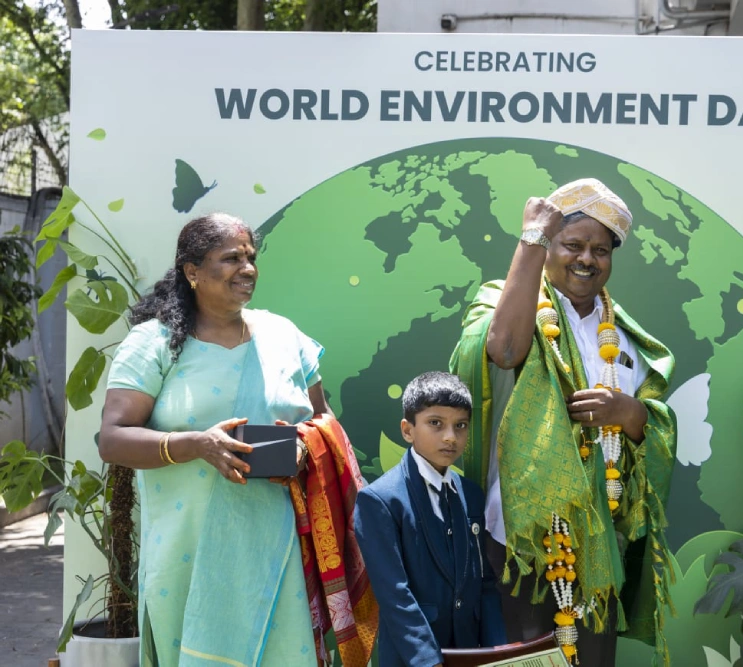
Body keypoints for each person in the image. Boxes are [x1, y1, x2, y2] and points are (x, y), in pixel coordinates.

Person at [98, 213, 374, 667]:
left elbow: (324, 421)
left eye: (251, 258)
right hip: (188, 556)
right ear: (192, 270)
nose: (247, 269)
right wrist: (197, 445)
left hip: (278, 550)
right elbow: (113, 439)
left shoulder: (284, 336)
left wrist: (305, 447)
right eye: (231, 258)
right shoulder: (154, 343)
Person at [450, 179, 677, 666]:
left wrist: (629, 413)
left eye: (601, 250)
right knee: (524, 657)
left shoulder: (624, 337)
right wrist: (531, 236)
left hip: (597, 537)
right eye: (572, 245)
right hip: (519, 535)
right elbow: (504, 350)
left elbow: (654, 429)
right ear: (548, 246)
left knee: (591, 657)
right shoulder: (509, 304)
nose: (586, 259)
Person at [353, 371, 507, 667]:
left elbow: (485, 584)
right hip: (413, 658)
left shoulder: (471, 494)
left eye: (460, 425)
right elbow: (394, 594)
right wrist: (428, 661)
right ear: (407, 430)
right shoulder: (379, 500)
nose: (450, 437)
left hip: (469, 653)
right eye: (436, 423)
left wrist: (498, 653)